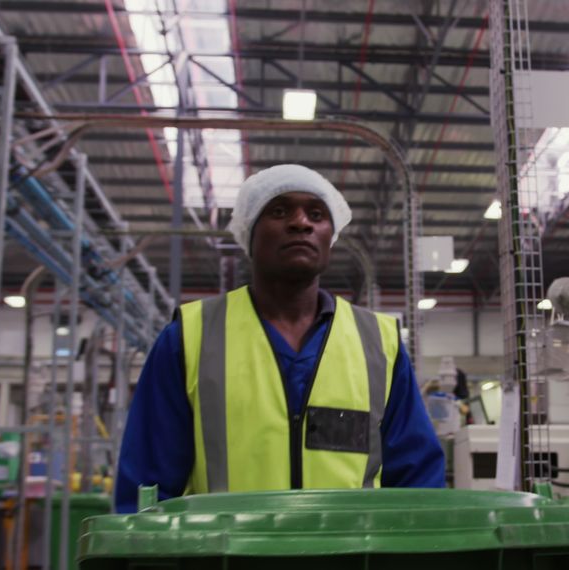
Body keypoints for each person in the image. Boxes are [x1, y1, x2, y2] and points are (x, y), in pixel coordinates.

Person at [116, 164, 444, 512]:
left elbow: (418, 483)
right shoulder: (189, 338)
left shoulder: (379, 344)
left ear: (330, 236)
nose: (301, 222)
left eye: (316, 214)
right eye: (279, 210)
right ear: (249, 233)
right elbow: (146, 488)